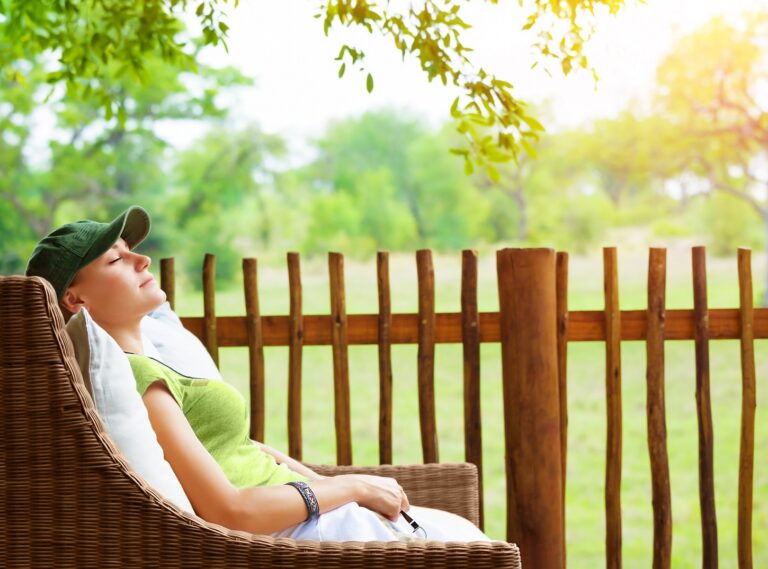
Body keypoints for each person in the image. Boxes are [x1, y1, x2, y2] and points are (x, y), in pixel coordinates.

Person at [25, 205, 491, 542]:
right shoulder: (135, 379)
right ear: (75, 300)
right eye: (115, 260)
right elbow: (230, 511)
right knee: (472, 545)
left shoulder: (153, 359)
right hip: (294, 532)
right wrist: (348, 487)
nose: (142, 260)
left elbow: (240, 448)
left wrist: (344, 489)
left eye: (132, 251)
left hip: (312, 510)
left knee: (468, 537)